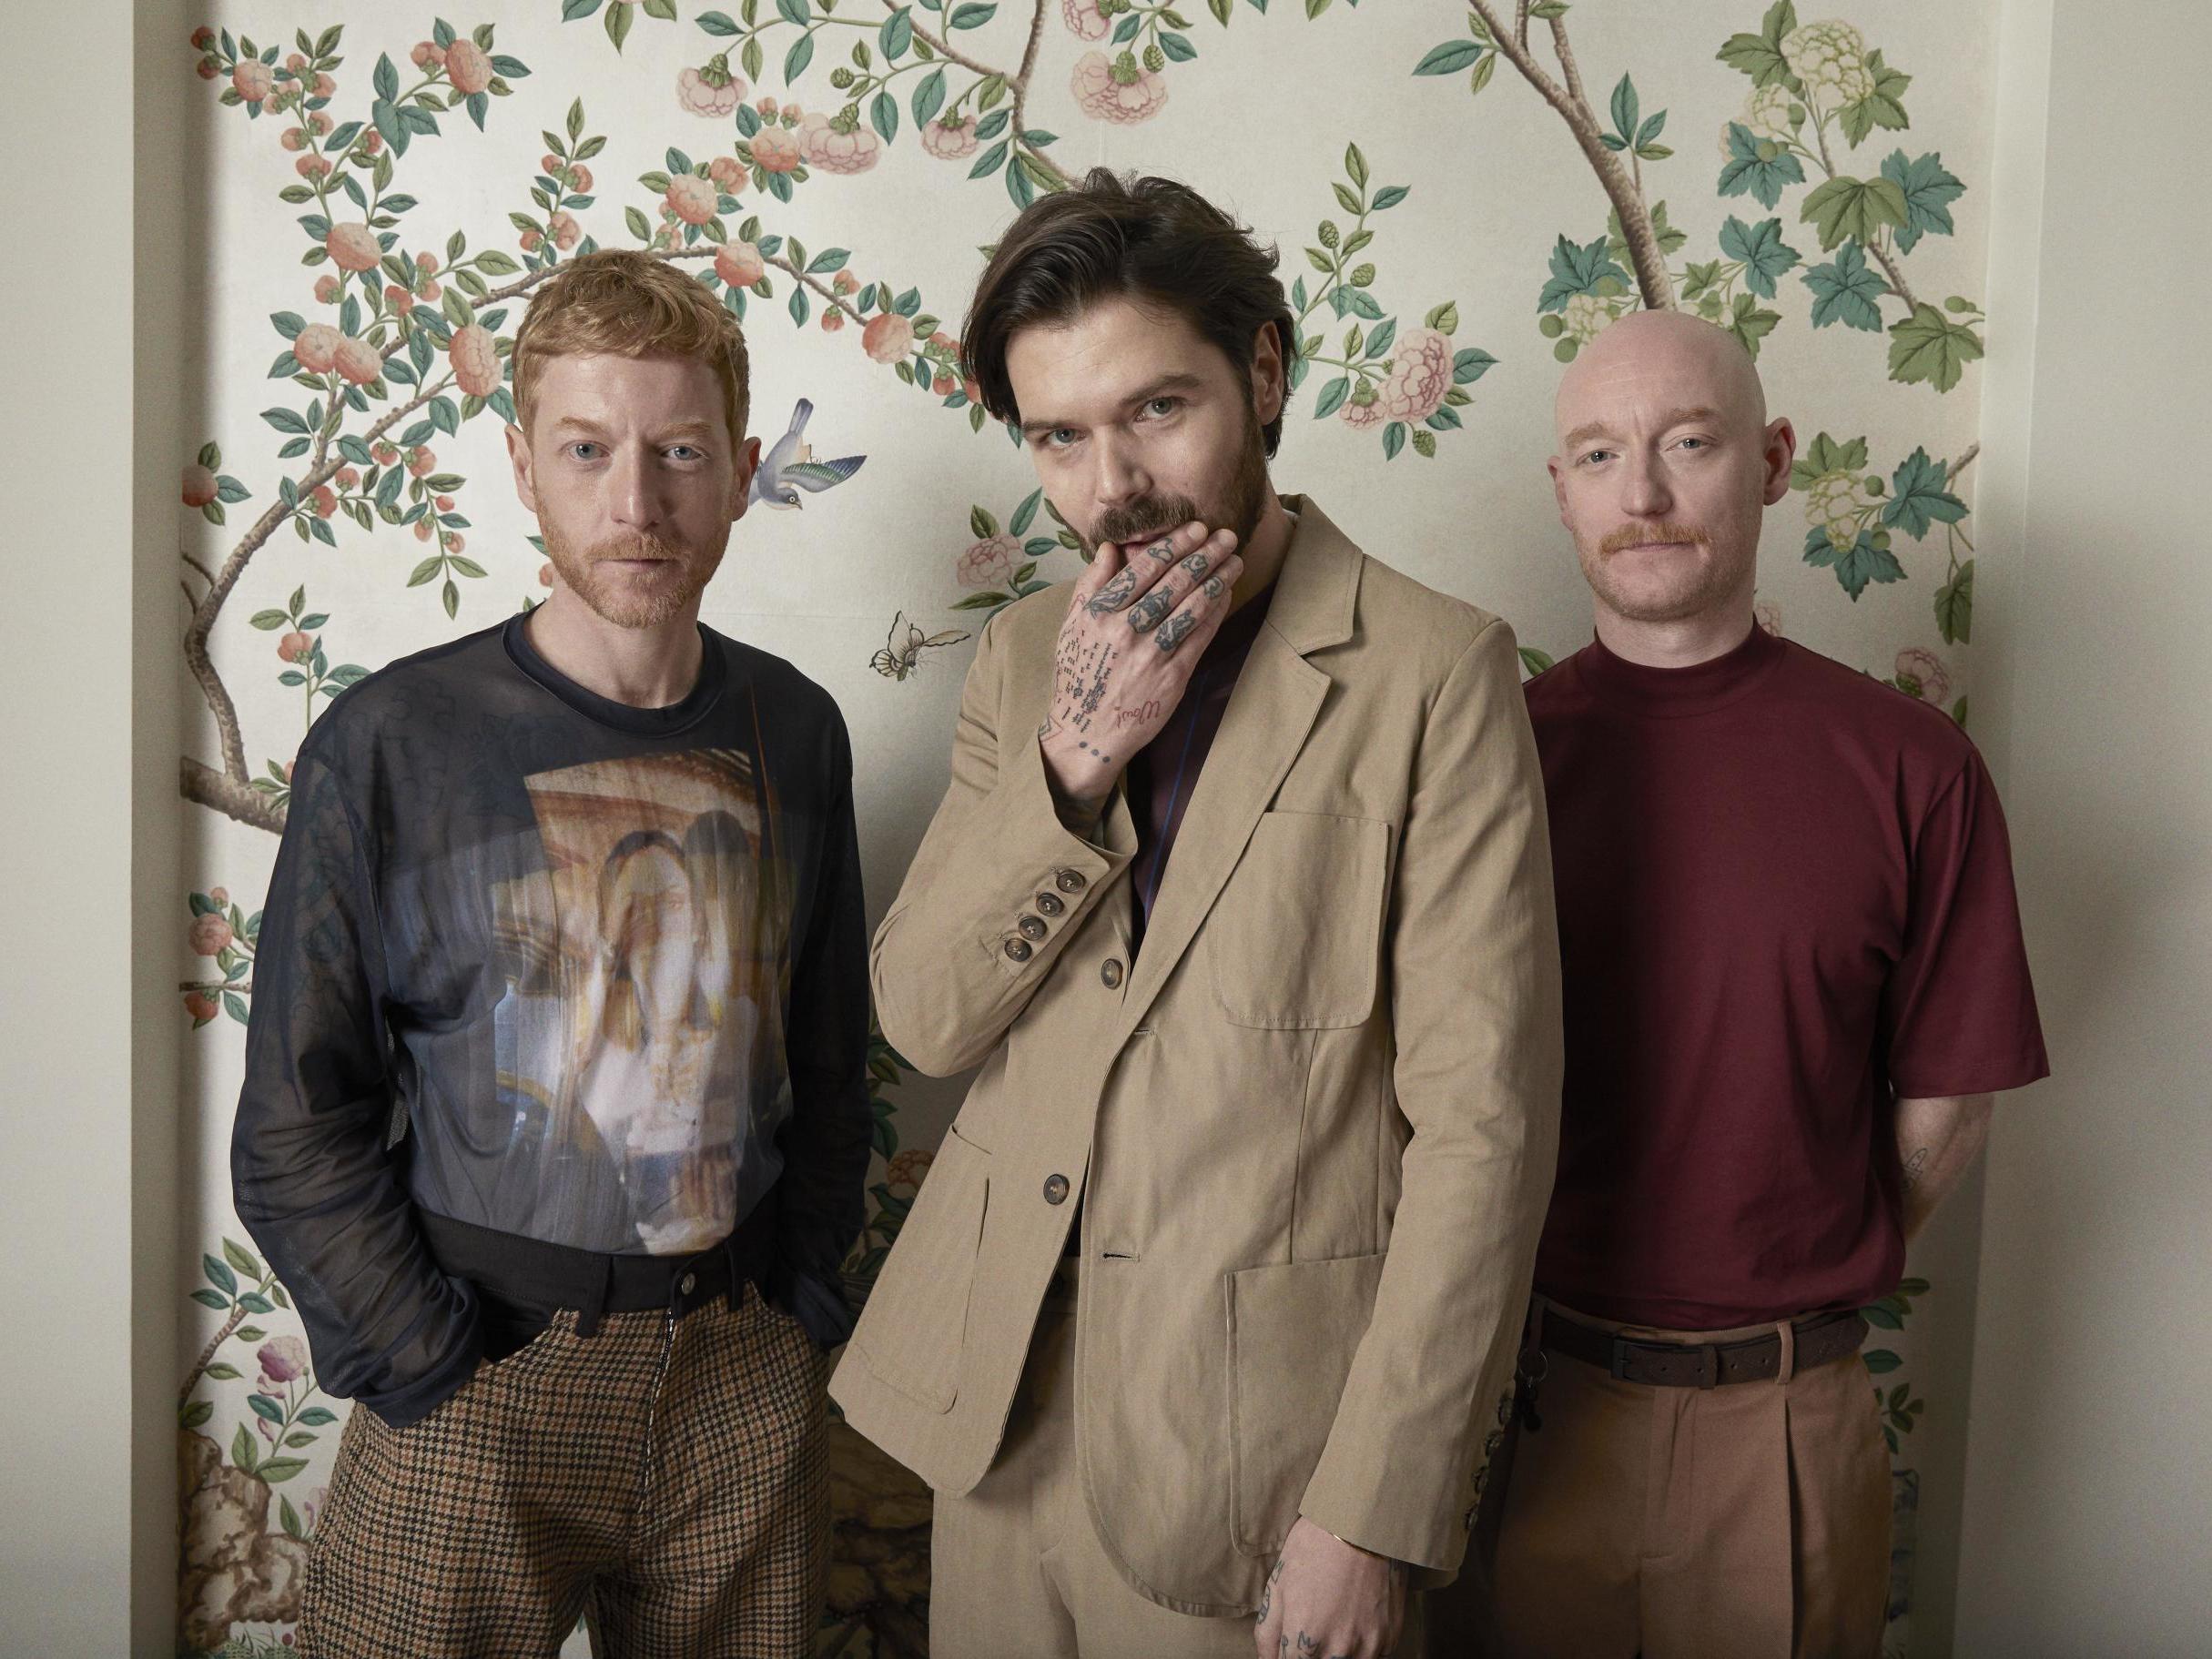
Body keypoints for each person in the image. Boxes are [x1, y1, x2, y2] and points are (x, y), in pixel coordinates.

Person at [827, 168, 1564, 1659]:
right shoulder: (1026, 657)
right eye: (1059, 436)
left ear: (1266, 371)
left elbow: (1483, 1136)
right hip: (996, 1419)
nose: (1113, 486)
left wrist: (1368, 1512)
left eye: (1156, 409)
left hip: (1258, 1458)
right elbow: (921, 1019)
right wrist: (1074, 758)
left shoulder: (1437, 673)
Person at [231, 249, 872, 1657]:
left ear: (743, 467)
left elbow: (832, 1063)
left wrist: (802, 1305)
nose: (635, 503)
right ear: (524, 467)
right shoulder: (393, 743)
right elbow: (295, 1118)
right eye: (587, 450)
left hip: (738, 1377)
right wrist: (423, 1360)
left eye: (680, 451)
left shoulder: (799, 729)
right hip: (480, 1372)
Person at [1461, 309, 2048, 1658]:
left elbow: (1946, 1110)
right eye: (1600, 455)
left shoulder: (1911, 766)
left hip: (1789, 1422)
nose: (1645, 493)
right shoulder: (1484, 763)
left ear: (1772, 460)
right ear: (1561, 493)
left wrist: (1775, 1258)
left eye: (1688, 443)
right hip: (1519, 1404)